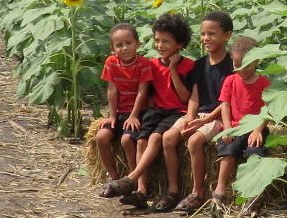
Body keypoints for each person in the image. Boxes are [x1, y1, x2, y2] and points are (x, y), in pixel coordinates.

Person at [100, 13, 194, 209]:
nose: (160, 45)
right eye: (157, 40)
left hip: (177, 112)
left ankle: (158, 186)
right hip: (156, 112)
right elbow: (143, 90)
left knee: (153, 139)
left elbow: (185, 98)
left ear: (180, 44)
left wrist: (173, 69)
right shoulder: (151, 64)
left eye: (166, 41)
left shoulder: (188, 66)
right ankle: (142, 191)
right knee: (141, 140)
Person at [157, 11, 234, 212]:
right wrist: (191, 117)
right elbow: (195, 96)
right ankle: (173, 190)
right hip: (199, 115)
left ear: (227, 36)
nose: (206, 38)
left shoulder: (232, 65)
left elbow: (229, 101)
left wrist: (204, 120)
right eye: (203, 34)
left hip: (220, 116)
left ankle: (197, 192)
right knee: (168, 138)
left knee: (194, 141)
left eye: (211, 34)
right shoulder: (200, 65)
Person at [211, 36, 270, 210]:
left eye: (246, 66)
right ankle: (220, 190)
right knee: (228, 151)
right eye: (237, 66)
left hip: (255, 128)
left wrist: (259, 129)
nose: (241, 70)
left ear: (256, 61)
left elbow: (267, 110)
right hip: (235, 127)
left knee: (254, 155)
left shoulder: (264, 83)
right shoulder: (230, 81)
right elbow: (225, 105)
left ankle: (253, 195)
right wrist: (228, 127)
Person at [96, 23, 153, 202]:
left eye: (129, 43)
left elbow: (142, 92)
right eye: (119, 45)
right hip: (119, 112)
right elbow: (112, 90)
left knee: (127, 139)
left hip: (138, 112)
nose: (125, 48)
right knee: (101, 137)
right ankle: (113, 178)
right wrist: (112, 115)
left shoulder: (144, 64)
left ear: (137, 44)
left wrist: (134, 115)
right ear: (112, 49)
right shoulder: (111, 63)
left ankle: (131, 180)